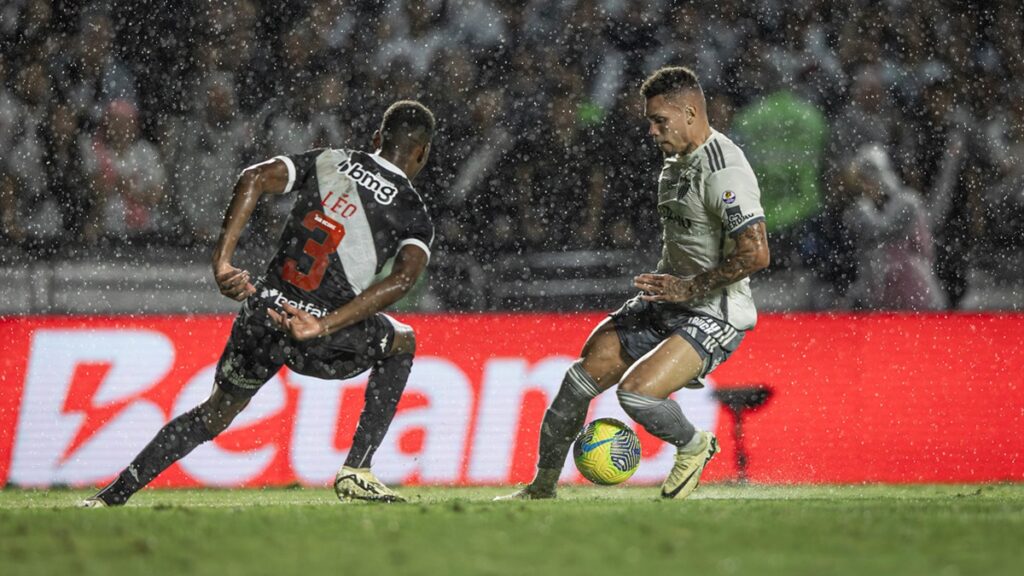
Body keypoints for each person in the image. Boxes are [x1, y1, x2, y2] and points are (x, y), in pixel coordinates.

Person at [81, 100, 437, 506]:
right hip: (317, 336)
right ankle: (357, 469)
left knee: (213, 414)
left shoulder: (328, 159)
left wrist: (222, 262)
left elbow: (254, 177)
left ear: (377, 139)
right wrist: (323, 324)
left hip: (262, 311)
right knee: (402, 340)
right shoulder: (412, 210)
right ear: (421, 153)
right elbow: (404, 279)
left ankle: (111, 497)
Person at [498, 66, 769, 501]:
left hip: (715, 310)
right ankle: (542, 487)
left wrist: (690, 287)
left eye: (660, 120)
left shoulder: (725, 171)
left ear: (689, 113)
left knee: (637, 397)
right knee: (576, 384)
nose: (652, 130)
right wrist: (670, 285)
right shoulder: (675, 164)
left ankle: (695, 444)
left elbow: (756, 253)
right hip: (669, 300)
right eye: (650, 120)